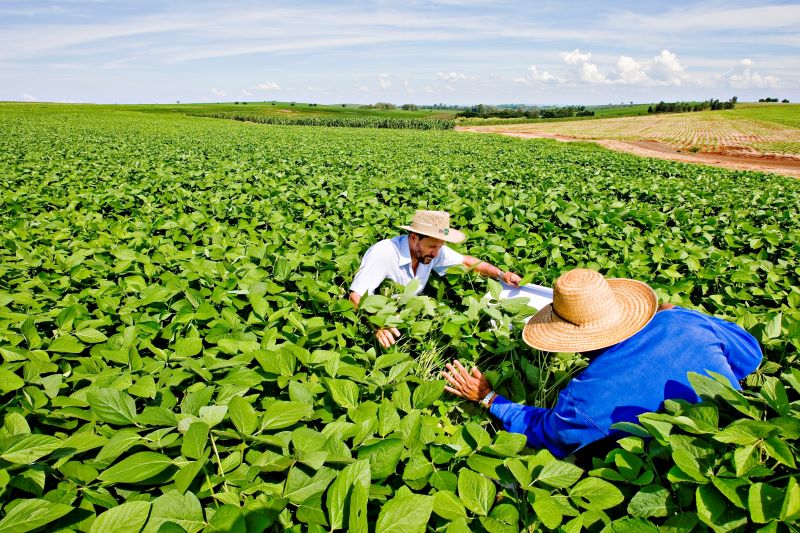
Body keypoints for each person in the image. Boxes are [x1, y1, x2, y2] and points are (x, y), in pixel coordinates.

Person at [442, 268, 763, 459]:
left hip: (678, 469)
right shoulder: (684, 320)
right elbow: (750, 355)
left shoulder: (586, 396)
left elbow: (548, 435)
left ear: (568, 338)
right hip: (750, 436)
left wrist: (489, 398)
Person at [349, 210, 522, 348]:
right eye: (432, 246)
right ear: (413, 237)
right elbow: (355, 297)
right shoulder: (384, 252)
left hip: (405, 320)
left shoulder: (432, 252)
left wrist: (501, 274)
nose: (437, 253)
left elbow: (466, 262)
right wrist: (379, 324)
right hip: (372, 325)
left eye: (440, 247)